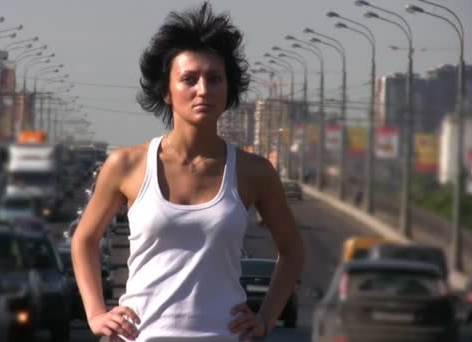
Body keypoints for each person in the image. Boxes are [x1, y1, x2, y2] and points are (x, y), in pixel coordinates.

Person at [71, 3, 304, 341]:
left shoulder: (254, 172)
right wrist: (95, 313)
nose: (203, 89)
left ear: (228, 90)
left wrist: (265, 318)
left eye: (214, 79)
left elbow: (293, 250)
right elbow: (85, 239)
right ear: (166, 91)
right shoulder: (127, 165)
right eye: (189, 79)